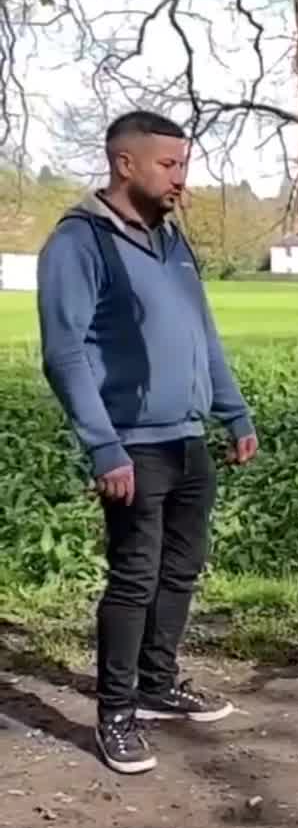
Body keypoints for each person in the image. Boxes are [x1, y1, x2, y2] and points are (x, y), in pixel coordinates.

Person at [37, 110, 258, 776]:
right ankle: (116, 713)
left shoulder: (174, 242)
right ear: (123, 163)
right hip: (133, 445)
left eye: (184, 164)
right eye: (168, 164)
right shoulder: (80, 243)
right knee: (134, 577)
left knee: (181, 568)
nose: (180, 177)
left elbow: (203, 336)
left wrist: (234, 413)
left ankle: (157, 685)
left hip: (188, 439)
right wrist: (104, 448)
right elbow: (64, 353)